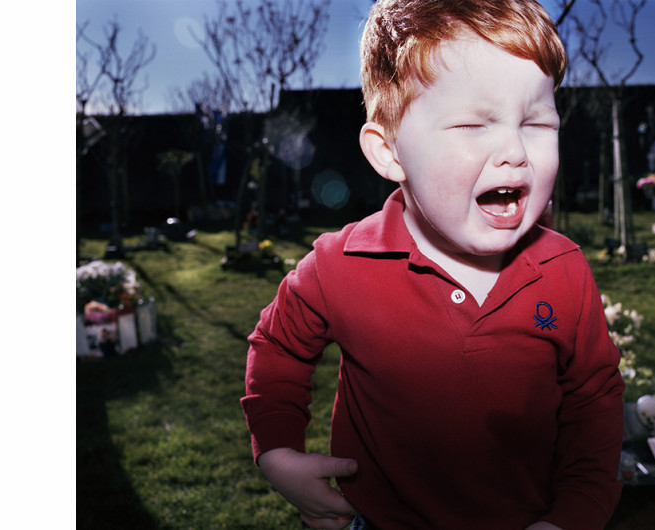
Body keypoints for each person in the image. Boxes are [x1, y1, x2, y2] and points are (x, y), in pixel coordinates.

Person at [241, 1, 625, 528]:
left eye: (537, 122)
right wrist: (277, 451)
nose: (515, 150)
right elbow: (278, 344)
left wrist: (575, 513)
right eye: (471, 124)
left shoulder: (563, 271)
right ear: (390, 152)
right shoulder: (341, 264)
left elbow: (594, 398)